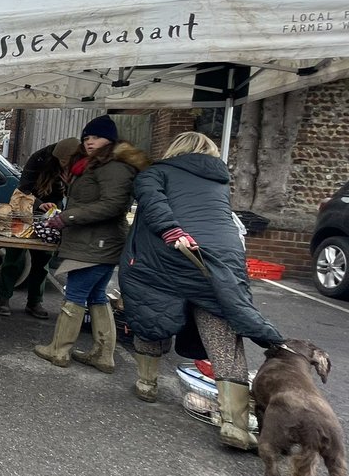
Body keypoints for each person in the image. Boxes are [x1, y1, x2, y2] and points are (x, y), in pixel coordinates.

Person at [120, 131, 285, 450]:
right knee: (223, 329)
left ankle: (147, 384)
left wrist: (171, 231)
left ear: (174, 149)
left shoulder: (156, 172)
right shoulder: (219, 181)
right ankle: (235, 424)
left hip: (171, 255)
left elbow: (150, 199)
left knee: (154, 313)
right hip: (219, 260)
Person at [34, 114, 149, 372]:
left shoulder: (114, 166)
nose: (89, 142)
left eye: (95, 137)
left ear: (110, 138)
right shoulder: (96, 164)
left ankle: (59, 350)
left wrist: (68, 217)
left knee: (75, 294)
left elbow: (113, 204)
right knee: (97, 295)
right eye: (86, 137)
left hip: (97, 242)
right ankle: (103, 354)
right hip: (94, 241)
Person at [0, 137, 82, 319]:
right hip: (27, 207)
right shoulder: (39, 159)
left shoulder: (78, 165)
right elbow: (23, 189)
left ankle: (35, 301)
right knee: (14, 256)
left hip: (53, 211)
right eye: (63, 162)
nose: (65, 165)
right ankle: (3, 298)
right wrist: (39, 204)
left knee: (42, 260)